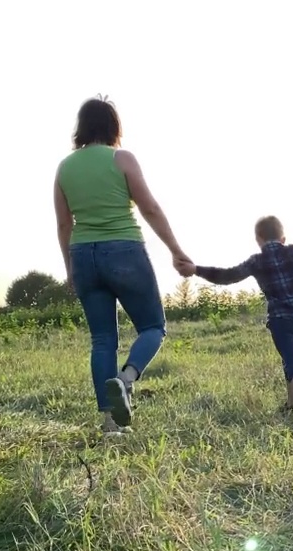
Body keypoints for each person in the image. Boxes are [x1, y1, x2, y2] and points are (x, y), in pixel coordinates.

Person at [53, 96, 193, 436]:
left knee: (102, 340)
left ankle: (110, 425)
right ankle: (126, 380)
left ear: (81, 127)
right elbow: (150, 209)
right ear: (114, 126)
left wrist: (70, 268)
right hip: (124, 251)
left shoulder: (65, 168)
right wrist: (176, 250)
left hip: (83, 255)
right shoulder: (122, 159)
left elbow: (63, 224)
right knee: (153, 326)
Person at [178, 213, 293, 425]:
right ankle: (291, 403)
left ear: (258, 239)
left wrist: (196, 270)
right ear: (283, 238)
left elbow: (228, 276)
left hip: (281, 319)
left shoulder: (257, 261)